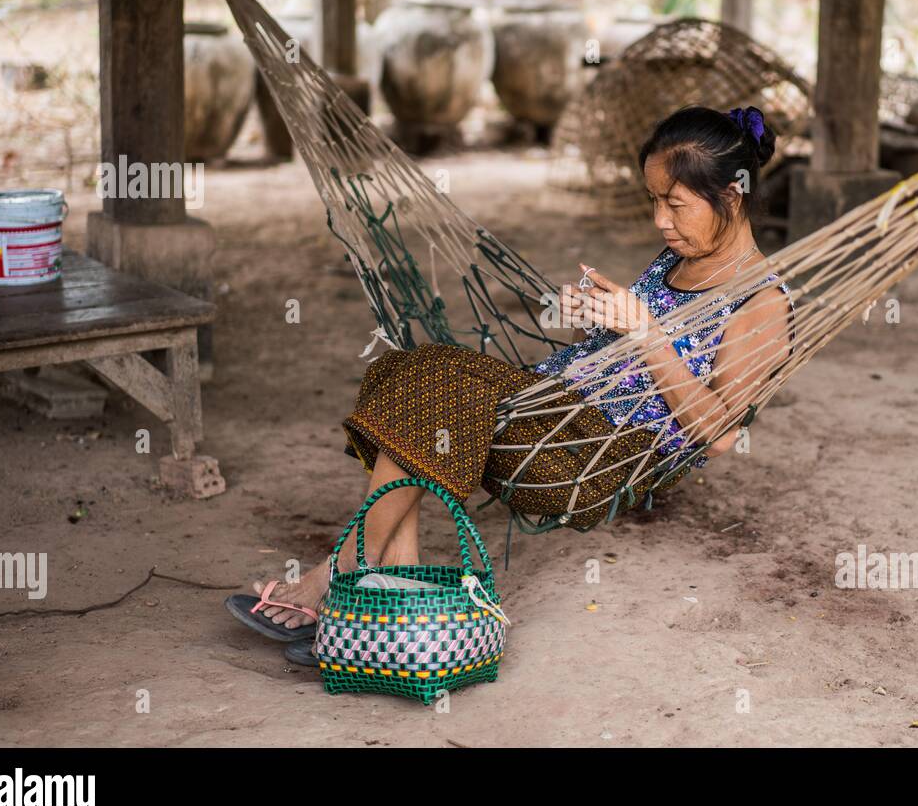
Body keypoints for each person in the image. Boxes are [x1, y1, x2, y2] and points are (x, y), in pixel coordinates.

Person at [225, 104, 794, 646]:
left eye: (675, 204)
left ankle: (341, 571)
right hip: (550, 405)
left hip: (595, 455)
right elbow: (630, 357)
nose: (659, 220)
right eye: (654, 201)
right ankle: (391, 591)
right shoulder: (683, 256)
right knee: (403, 369)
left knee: (436, 384)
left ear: (732, 195)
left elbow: (720, 434)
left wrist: (645, 332)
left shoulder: (760, 303)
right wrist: (598, 320)